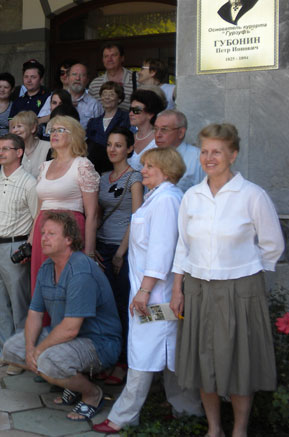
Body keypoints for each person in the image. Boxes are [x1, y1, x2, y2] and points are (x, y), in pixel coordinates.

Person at [171, 123, 284, 437]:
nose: (209, 157)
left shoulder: (252, 195)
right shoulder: (192, 196)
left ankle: (239, 430)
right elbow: (183, 244)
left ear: (232, 155)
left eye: (217, 151)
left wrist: (243, 268)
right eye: (204, 151)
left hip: (239, 290)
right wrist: (177, 287)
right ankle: (214, 428)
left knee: (239, 362)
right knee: (202, 359)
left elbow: (273, 244)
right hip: (195, 289)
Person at [93, 147, 203, 434]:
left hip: (155, 295)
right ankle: (187, 411)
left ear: (166, 170)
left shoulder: (167, 200)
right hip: (150, 291)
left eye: (150, 166)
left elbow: (162, 251)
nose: (143, 170)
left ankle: (124, 416)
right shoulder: (160, 197)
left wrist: (144, 291)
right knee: (168, 352)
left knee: (144, 352)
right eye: (144, 165)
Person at [3, 211, 121, 422]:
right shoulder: (47, 267)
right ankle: (70, 384)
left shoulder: (81, 270)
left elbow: (71, 328)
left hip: (98, 341)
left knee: (47, 361)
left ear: (69, 240)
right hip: (67, 339)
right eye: (43, 233)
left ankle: (91, 393)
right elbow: (35, 313)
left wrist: (38, 350)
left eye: (51, 234)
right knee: (12, 349)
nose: (43, 238)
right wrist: (30, 348)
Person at [0, 134, 38, 374]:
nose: (1, 152)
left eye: (7, 149)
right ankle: (4, 352)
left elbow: (38, 218)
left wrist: (29, 247)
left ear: (20, 152)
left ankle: (20, 357)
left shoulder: (30, 183)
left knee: (19, 304)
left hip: (16, 247)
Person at [94, 128, 143, 385]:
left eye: (119, 145)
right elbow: (98, 214)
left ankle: (124, 363)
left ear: (130, 149)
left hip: (122, 250)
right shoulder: (103, 178)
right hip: (101, 247)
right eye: (110, 145)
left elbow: (137, 218)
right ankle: (107, 358)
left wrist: (121, 253)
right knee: (105, 308)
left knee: (123, 307)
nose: (113, 149)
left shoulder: (135, 178)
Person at [30, 116, 99, 296]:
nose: (54, 134)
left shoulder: (82, 165)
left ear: (74, 135)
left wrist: (90, 254)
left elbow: (92, 214)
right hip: (43, 232)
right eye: (52, 130)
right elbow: (39, 211)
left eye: (60, 130)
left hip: (69, 231)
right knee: (43, 285)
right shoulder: (44, 166)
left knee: (67, 286)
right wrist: (30, 243)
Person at [153, 109, 204, 192]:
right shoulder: (151, 156)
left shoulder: (197, 158)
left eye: (164, 129)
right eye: (155, 129)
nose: (158, 134)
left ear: (181, 133)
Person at [40, 63, 102, 130]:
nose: (77, 78)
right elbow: (39, 122)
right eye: (74, 74)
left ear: (87, 80)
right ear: (68, 78)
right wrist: (62, 108)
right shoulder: (54, 98)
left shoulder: (94, 104)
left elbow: (99, 130)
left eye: (82, 75)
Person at [86, 81, 131, 173]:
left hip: (117, 166)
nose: (107, 97)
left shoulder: (126, 118)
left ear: (119, 99)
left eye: (111, 94)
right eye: (104, 94)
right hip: (96, 168)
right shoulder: (93, 122)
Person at [88, 43, 135, 110]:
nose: (109, 59)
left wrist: (133, 116)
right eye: (106, 56)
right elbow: (91, 110)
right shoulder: (94, 84)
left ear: (122, 58)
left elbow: (143, 106)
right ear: (103, 60)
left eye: (113, 55)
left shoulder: (137, 79)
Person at [128, 89, 165, 171]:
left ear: (150, 114)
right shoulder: (128, 137)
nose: (131, 113)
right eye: (130, 109)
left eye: (136, 110)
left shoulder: (159, 141)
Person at [9, 110, 50, 178]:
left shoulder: (48, 147)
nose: (15, 130)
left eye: (19, 126)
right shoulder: (11, 150)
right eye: (13, 127)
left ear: (33, 128)